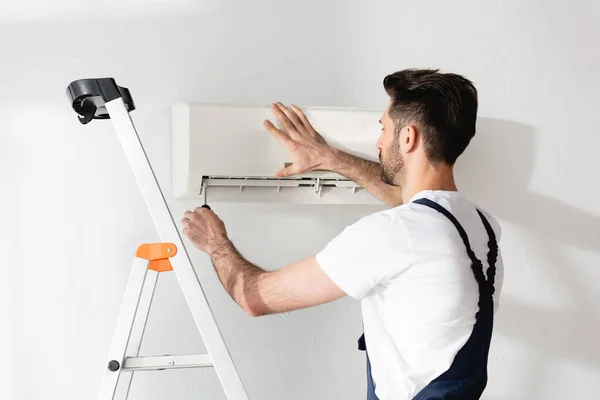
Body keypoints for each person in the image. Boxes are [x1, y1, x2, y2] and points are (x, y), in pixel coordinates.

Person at [181, 68, 504, 400]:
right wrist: (329, 158)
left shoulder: (393, 234)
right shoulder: (481, 226)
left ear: (408, 138)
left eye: (384, 129)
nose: (378, 142)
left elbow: (254, 297)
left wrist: (215, 242)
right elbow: (415, 205)